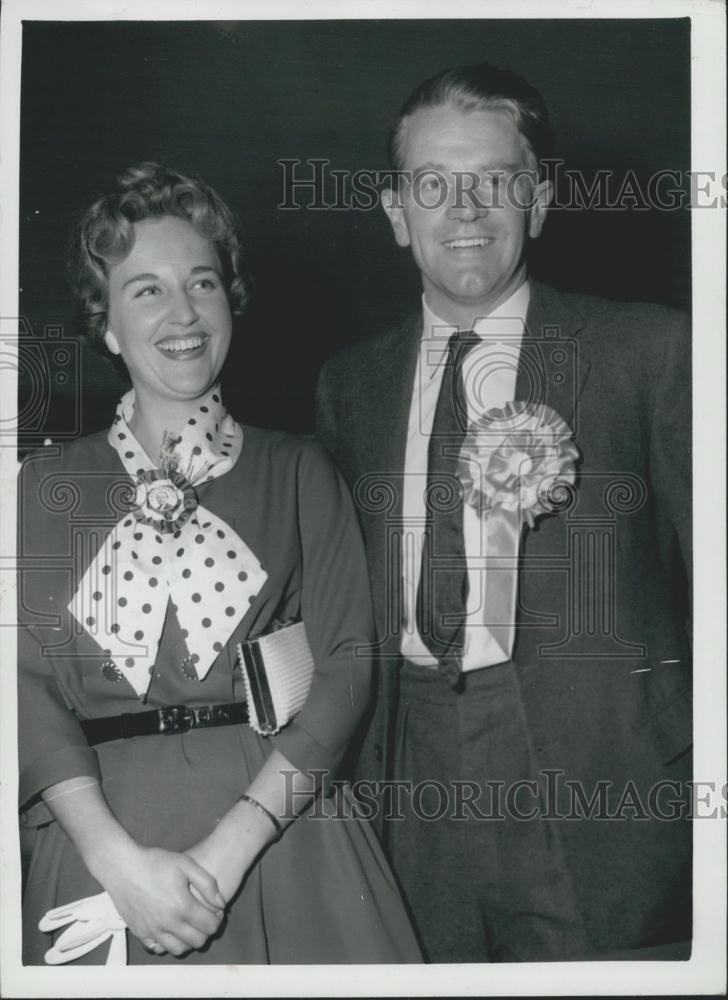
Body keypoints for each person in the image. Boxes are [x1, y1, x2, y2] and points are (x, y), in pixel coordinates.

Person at [316, 64, 692, 962]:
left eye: (494, 180)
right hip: (404, 777)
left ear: (542, 198)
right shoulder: (348, 384)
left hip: (600, 780)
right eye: (432, 185)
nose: (466, 208)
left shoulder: (653, 350)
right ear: (395, 211)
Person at [17, 162, 422, 965]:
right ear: (105, 325)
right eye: (146, 290)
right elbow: (20, 681)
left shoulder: (300, 469)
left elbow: (347, 667)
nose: (183, 312)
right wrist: (115, 862)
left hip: (279, 835)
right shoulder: (42, 486)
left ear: (229, 303)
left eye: (202, 283)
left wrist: (228, 853)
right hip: (104, 840)